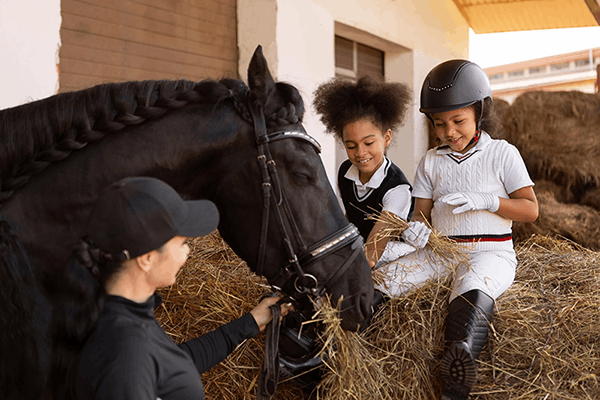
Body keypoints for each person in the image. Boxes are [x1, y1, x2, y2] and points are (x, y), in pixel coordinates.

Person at [376, 60, 538, 400]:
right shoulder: (431, 162)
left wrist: (489, 201)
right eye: (439, 124)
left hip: (489, 253)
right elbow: (421, 214)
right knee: (384, 280)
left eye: (458, 121)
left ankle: (458, 366)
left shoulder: (501, 154)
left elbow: (530, 209)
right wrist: (415, 231)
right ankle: (339, 336)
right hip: (440, 252)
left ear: (480, 112)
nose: (449, 131)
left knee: (472, 285)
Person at [49, 177, 290, 400]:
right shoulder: (126, 352)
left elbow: (172, 366)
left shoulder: (123, 318)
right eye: (183, 243)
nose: (188, 252)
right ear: (147, 258)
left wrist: (250, 322)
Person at [313, 75, 422, 269]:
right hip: (360, 248)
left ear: (387, 137)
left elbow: (373, 251)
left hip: (390, 256)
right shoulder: (346, 171)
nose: (360, 153)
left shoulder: (397, 189)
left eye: (369, 143)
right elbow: (352, 217)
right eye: (351, 146)